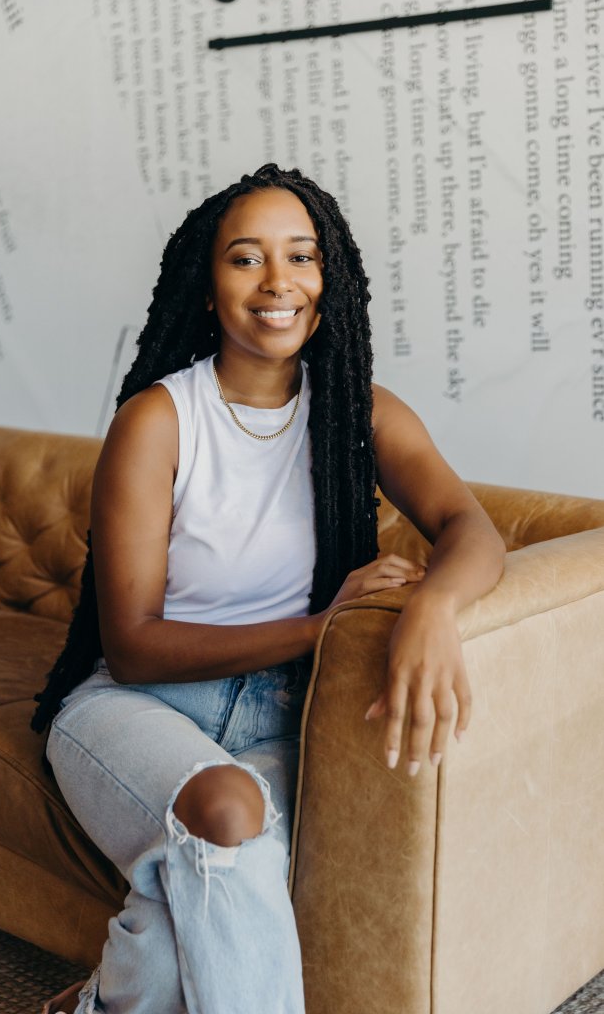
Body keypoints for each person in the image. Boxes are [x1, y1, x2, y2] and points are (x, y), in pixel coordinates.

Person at [33, 163, 505, 1014]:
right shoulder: (158, 419)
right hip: (138, 707)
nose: (277, 281)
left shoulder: (358, 410)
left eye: (301, 256)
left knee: (205, 888)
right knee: (225, 811)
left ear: (329, 283)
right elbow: (134, 644)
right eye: (245, 259)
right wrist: (323, 626)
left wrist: (433, 604)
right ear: (207, 287)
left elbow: (470, 529)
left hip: (287, 713)